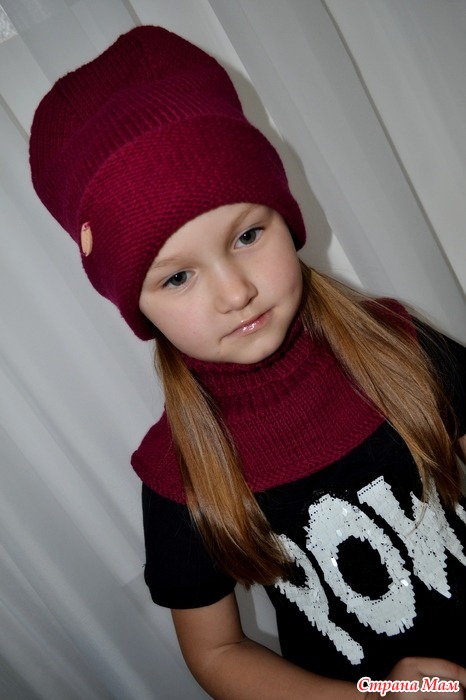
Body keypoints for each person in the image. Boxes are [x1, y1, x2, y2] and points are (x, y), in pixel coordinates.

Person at [29, 25, 466, 700]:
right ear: (137, 306)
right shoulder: (180, 474)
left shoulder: (398, 346)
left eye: (248, 235)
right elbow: (216, 652)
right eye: (178, 277)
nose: (235, 292)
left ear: (286, 218)